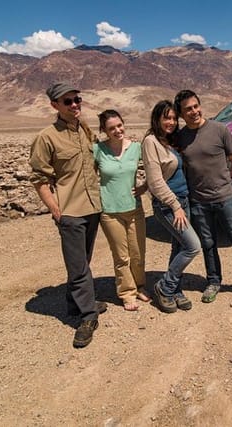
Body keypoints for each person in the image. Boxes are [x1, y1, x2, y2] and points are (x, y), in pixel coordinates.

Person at [29, 81, 106, 349]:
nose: (75, 105)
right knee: (78, 266)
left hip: (92, 207)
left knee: (83, 260)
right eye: (68, 101)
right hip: (70, 211)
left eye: (77, 99)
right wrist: (55, 209)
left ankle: (75, 304)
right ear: (54, 105)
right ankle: (88, 316)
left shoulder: (84, 130)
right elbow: (39, 178)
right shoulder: (46, 137)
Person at [173, 89, 232, 305]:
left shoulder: (219, 129)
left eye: (196, 106)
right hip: (199, 202)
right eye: (188, 109)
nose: (194, 111)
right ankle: (213, 281)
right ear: (181, 114)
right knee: (208, 244)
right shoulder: (181, 138)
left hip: (225, 197)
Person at [142, 100, 201, 313]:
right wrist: (175, 206)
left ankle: (175, 289)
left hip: (183, 200)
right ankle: (164, 287)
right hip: (168, 205)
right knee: (192, 246)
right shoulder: (151, 141)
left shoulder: (169, 141)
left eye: (174, 118)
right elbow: (156, 180)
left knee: (179, 247)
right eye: (167, 117)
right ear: (157, 118)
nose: (171, 122)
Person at [94, 109, 150, 312]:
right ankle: (127, 293)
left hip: (134, 208)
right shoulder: (98, 150)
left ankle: (139, 286)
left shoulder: (136, 148)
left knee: (137, 253)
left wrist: (145, 187)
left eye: (119, 125)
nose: (118, 130)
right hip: (110, 211)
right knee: (121, 256)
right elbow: (88, 176)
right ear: (104, 131)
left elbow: (154, 168)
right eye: (112, 128)